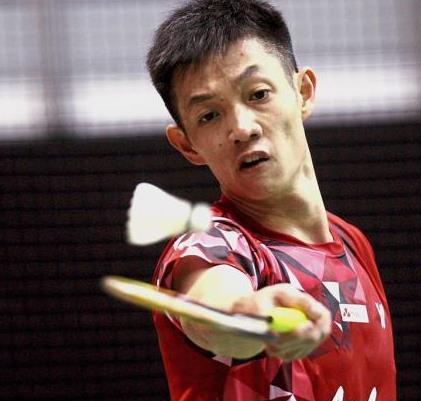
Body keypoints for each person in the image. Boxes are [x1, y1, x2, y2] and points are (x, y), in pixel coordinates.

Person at [146, 1, 396, 400]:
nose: (242, 128)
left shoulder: (353, 244)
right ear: (187, 144)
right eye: (209, 116)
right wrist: (249, 315)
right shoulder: (209, 244)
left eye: (258, 94)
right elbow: (214, 309)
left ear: (303, 92)